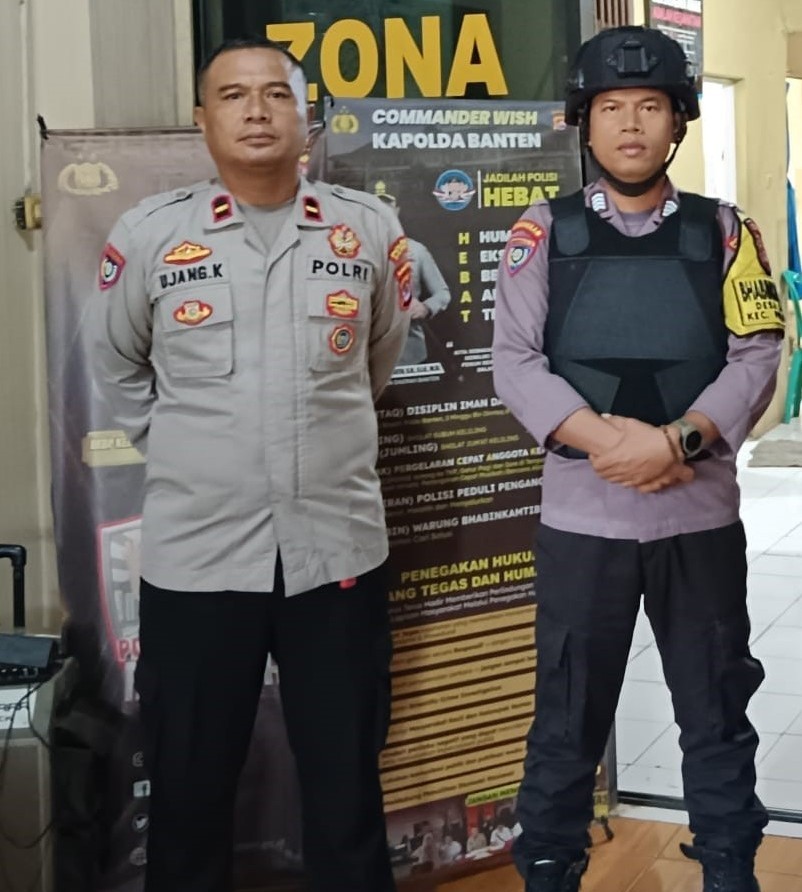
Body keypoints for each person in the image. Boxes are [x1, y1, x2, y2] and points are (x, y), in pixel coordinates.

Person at [92, 36, 410, 892]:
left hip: (335, 552)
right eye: (234, 95)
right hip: (199, 556)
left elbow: (375, 362)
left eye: (277, 93)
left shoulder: (366, 230)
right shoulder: (151, 236)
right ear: (202, 120)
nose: (258, 110)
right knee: (188, 795)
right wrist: (195, 451)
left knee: (347, 791)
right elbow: (117, 367)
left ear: (308, 116)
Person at [492, 25, 783, 892]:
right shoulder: (541, 232)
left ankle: (729, 866)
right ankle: (550, 869)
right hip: (584, 523)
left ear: (678, 122)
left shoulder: (727, 231)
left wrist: (676, 440)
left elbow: (758, 351)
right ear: (585, 123)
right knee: (566, 719)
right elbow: (515, 362)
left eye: (650, 106)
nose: (630, 124)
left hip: (698, 519)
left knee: (716, 710)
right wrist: (613, 442)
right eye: (612, 107)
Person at [373, 182, 452, 365]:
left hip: (409, 352)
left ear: (397, 210)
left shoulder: (416, 250)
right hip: (369, 352)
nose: (383, 212)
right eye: (376, 206)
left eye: (388, 206)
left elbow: (442, 293)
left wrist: (425, 308)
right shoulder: (355, 251)